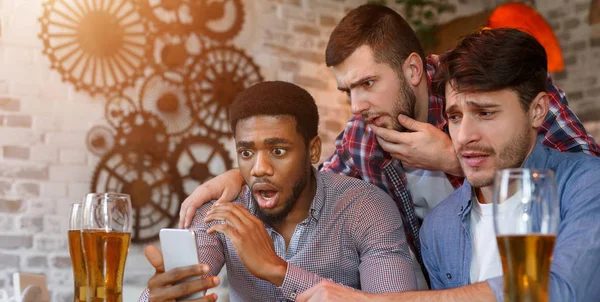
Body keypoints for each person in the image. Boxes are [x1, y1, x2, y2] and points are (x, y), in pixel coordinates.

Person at [177, 4, 599, 283]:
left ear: (413, 69)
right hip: (443, 292)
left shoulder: (483, 85)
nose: (356, 105)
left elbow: (583, 171)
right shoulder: (364, 134)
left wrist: (453, 158)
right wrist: (246, 171)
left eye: (367, 83)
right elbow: (313, 189)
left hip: (545, 278)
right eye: (347, 90)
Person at [292, 28, 600, 302]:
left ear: (537, 111)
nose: (465, 136)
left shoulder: (585, 186)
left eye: (485, 113)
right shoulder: (439, 229)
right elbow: (316, 186)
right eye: (454, 117)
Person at [137, 81, 416, 302]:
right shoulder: (222, 208)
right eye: (246, 152)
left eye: (278, 150)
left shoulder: (366, 208)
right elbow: (178, 290)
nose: (259, 169)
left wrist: (277, 270)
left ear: (313, 150)